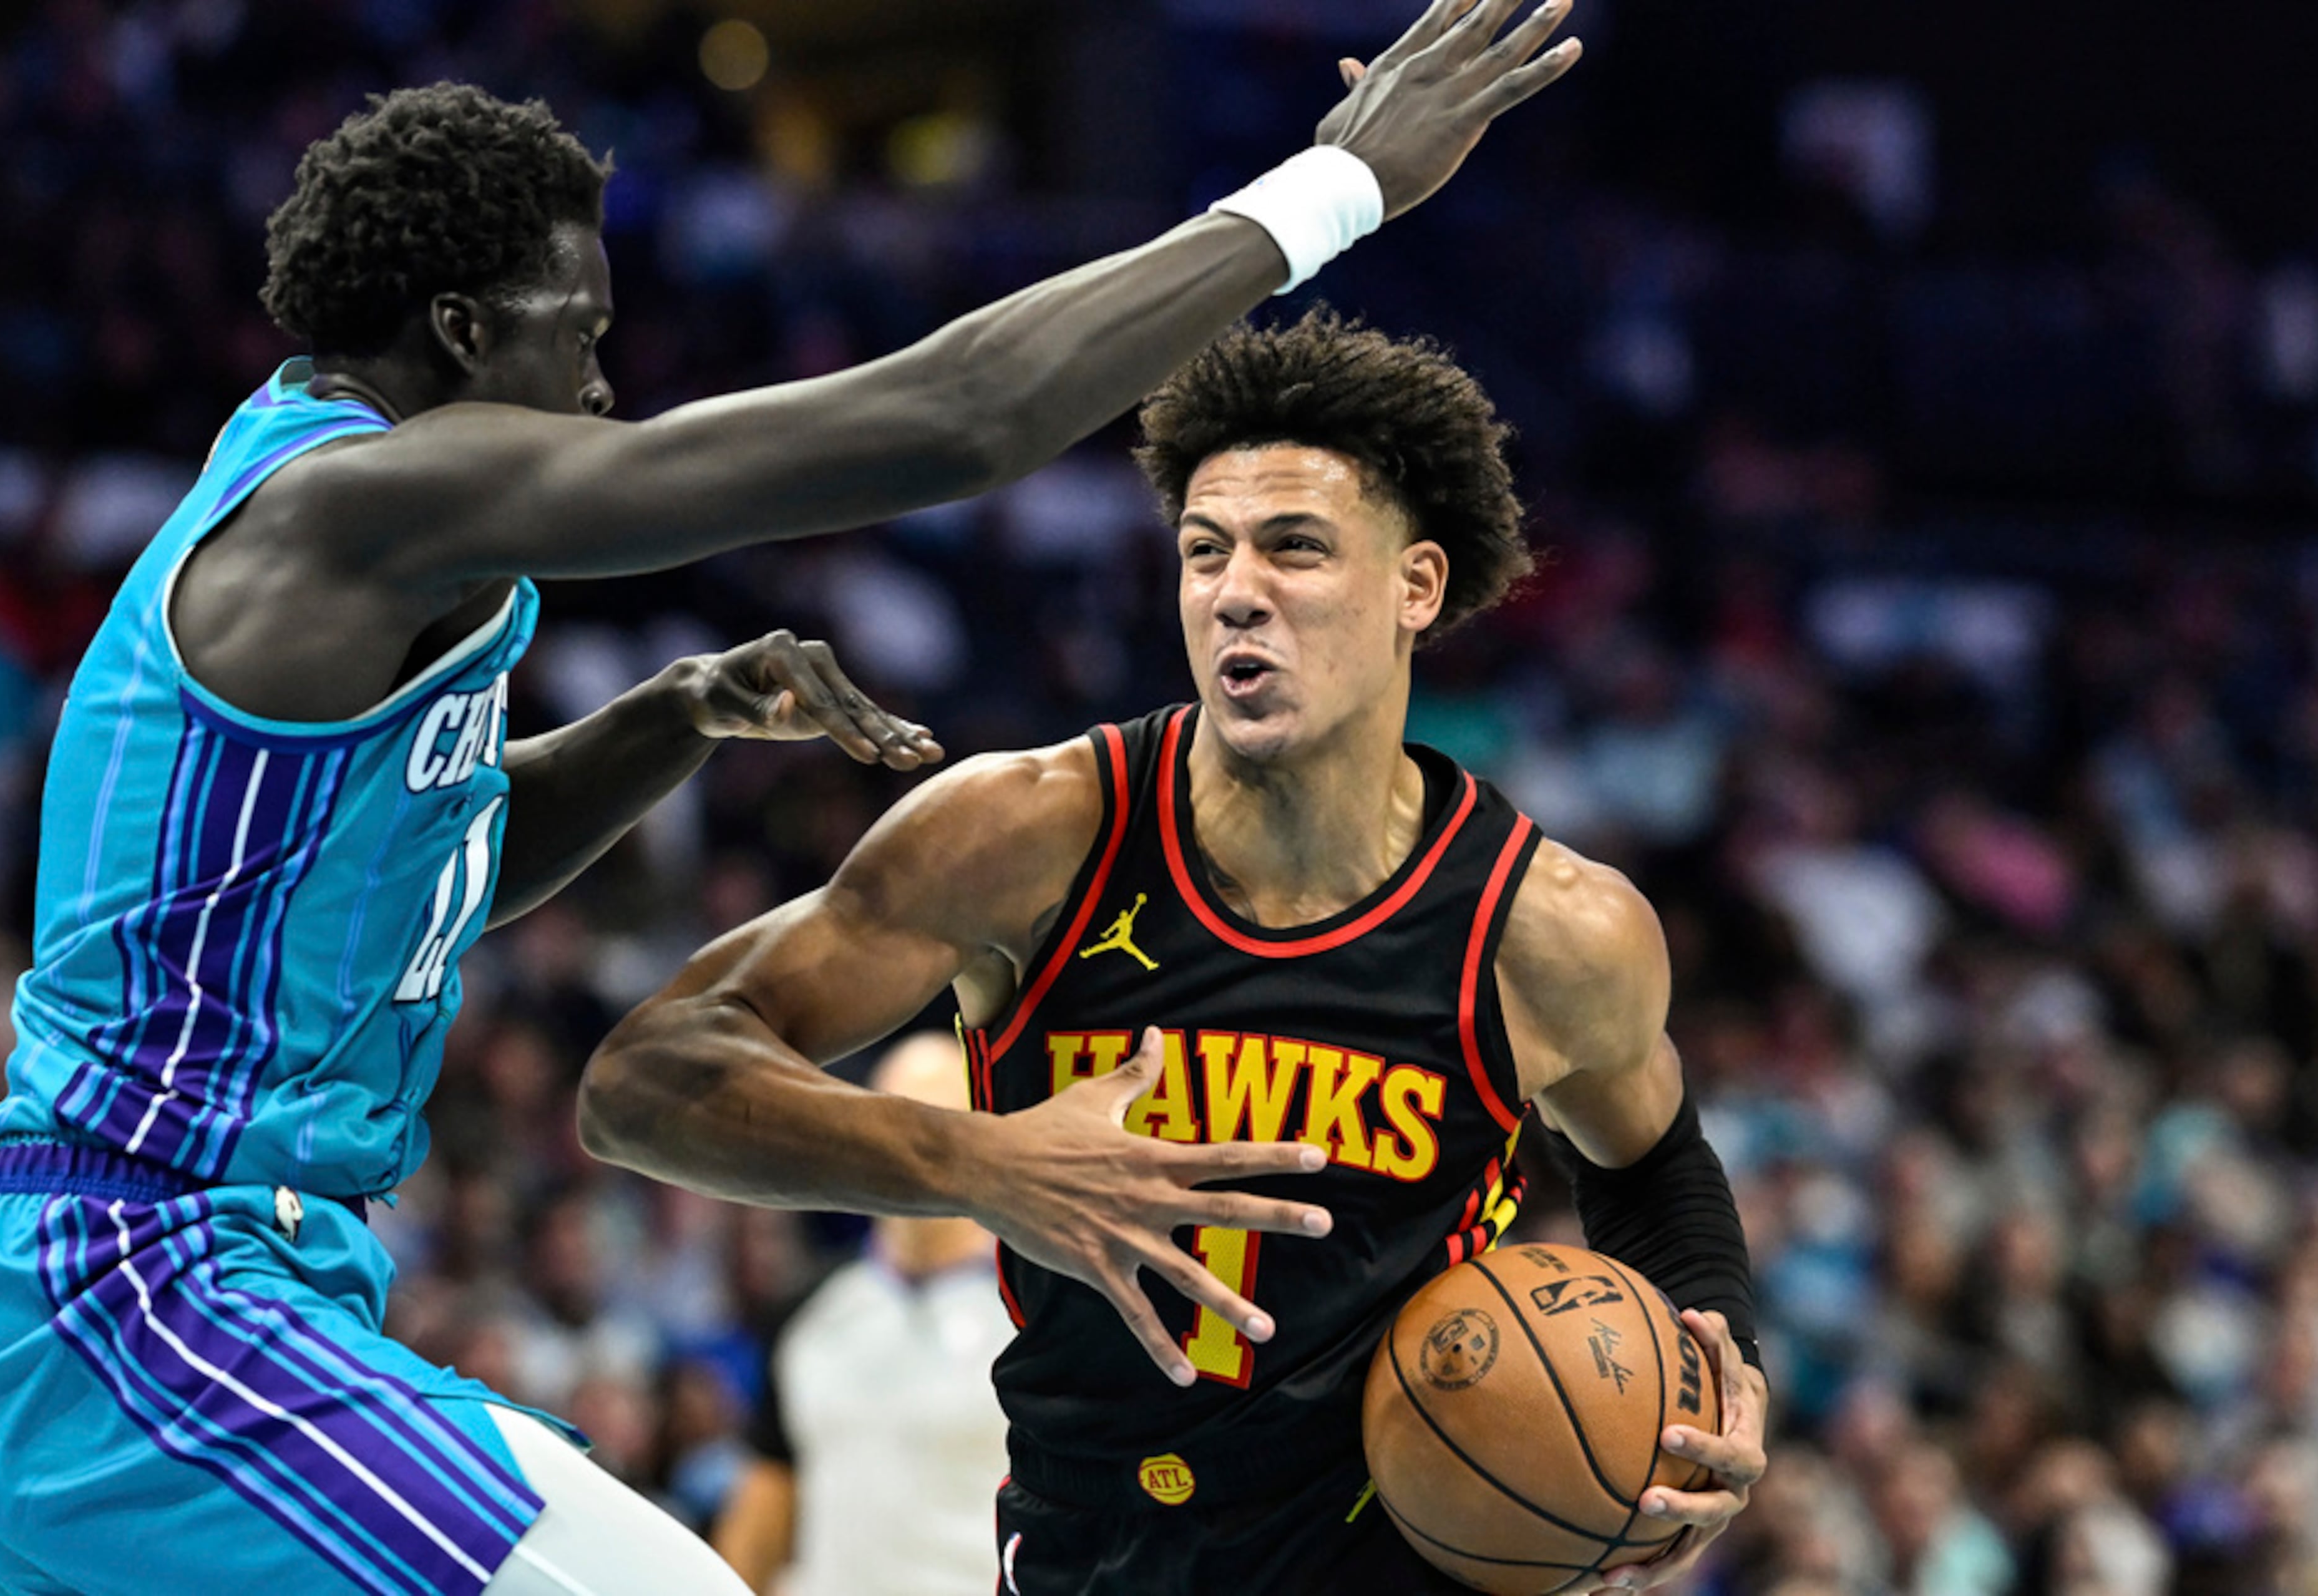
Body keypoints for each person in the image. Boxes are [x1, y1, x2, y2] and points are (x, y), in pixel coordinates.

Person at [0, 2, 1589, 1590]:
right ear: (462, 332)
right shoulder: (361, 498)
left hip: (167, 1284)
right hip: (144, 1285)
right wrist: (1338, 187)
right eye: (577, 335)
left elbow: (414, 876)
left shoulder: (335, 543)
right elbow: (959, 414)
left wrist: (672, 715)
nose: (600, 388)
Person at [580, 309, 1772, 1594]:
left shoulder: (1547, 928)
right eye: (1205, 551)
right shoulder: (1029, 833)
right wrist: (984, 1162)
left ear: (1417, 586)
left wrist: (1723, 1373)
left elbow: (1654, 1167)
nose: (1236, 590)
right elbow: (639, 1083)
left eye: (1296, 549)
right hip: (1100, 1554)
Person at [708, 1031, 1013, 1596]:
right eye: (894, 1124)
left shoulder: (1033, 1313)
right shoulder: (808, 1315)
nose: (913, 1149)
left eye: (940, 1124)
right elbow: (761, 1516)